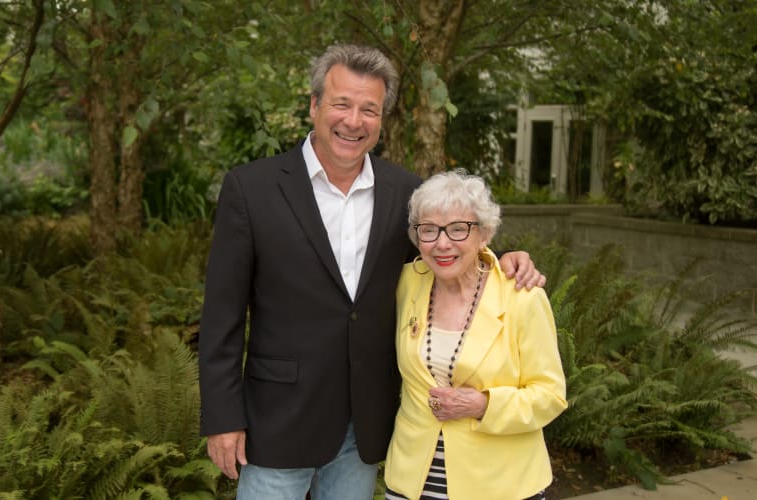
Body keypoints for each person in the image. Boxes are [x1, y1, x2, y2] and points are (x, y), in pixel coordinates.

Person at [198, 44, 546, 500]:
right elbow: (221, 316)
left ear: (382, 120)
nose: (353, 121)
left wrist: (504, 259)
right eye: (342, 103)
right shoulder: (251, 188)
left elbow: (446, 251)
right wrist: (224, 418)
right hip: (276, 421)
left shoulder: (404, 191)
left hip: (362, 427)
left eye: (370, 109)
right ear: (314, 105)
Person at [383, 171, 568, 500]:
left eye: (458, 229)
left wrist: (485, 405)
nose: (442, 243)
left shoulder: (521, 296)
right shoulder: (407, 282)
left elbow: (550, 395)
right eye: (429, 230)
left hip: (499, 483)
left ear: (484, 234)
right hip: (412, 479)